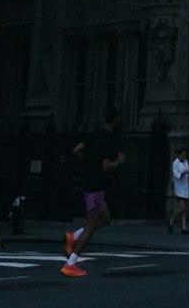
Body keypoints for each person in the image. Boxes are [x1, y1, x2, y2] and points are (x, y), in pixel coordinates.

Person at [62, 106, 126, 278]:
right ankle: (71, 263)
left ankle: (74, 236)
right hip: (96, 185)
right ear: (116, 119)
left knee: (106, 218)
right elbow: (106, 166)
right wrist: (118, 162)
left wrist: (89, 160)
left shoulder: (94, 134)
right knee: (91, 225)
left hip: (88, 181)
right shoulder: (109, 140)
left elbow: (76, 150)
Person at [168, 148, 189, 235]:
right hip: (180, 188)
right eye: (183, 155)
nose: (184, 156)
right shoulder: (175, 163)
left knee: (184, 208)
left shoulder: (186, 161)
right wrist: (185, 173)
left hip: (186, 187)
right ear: (179, 155)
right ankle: (171, 219)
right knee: (182, 207)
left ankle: (184, 227)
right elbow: (176, 175)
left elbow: (188, 171)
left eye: (185, 155)